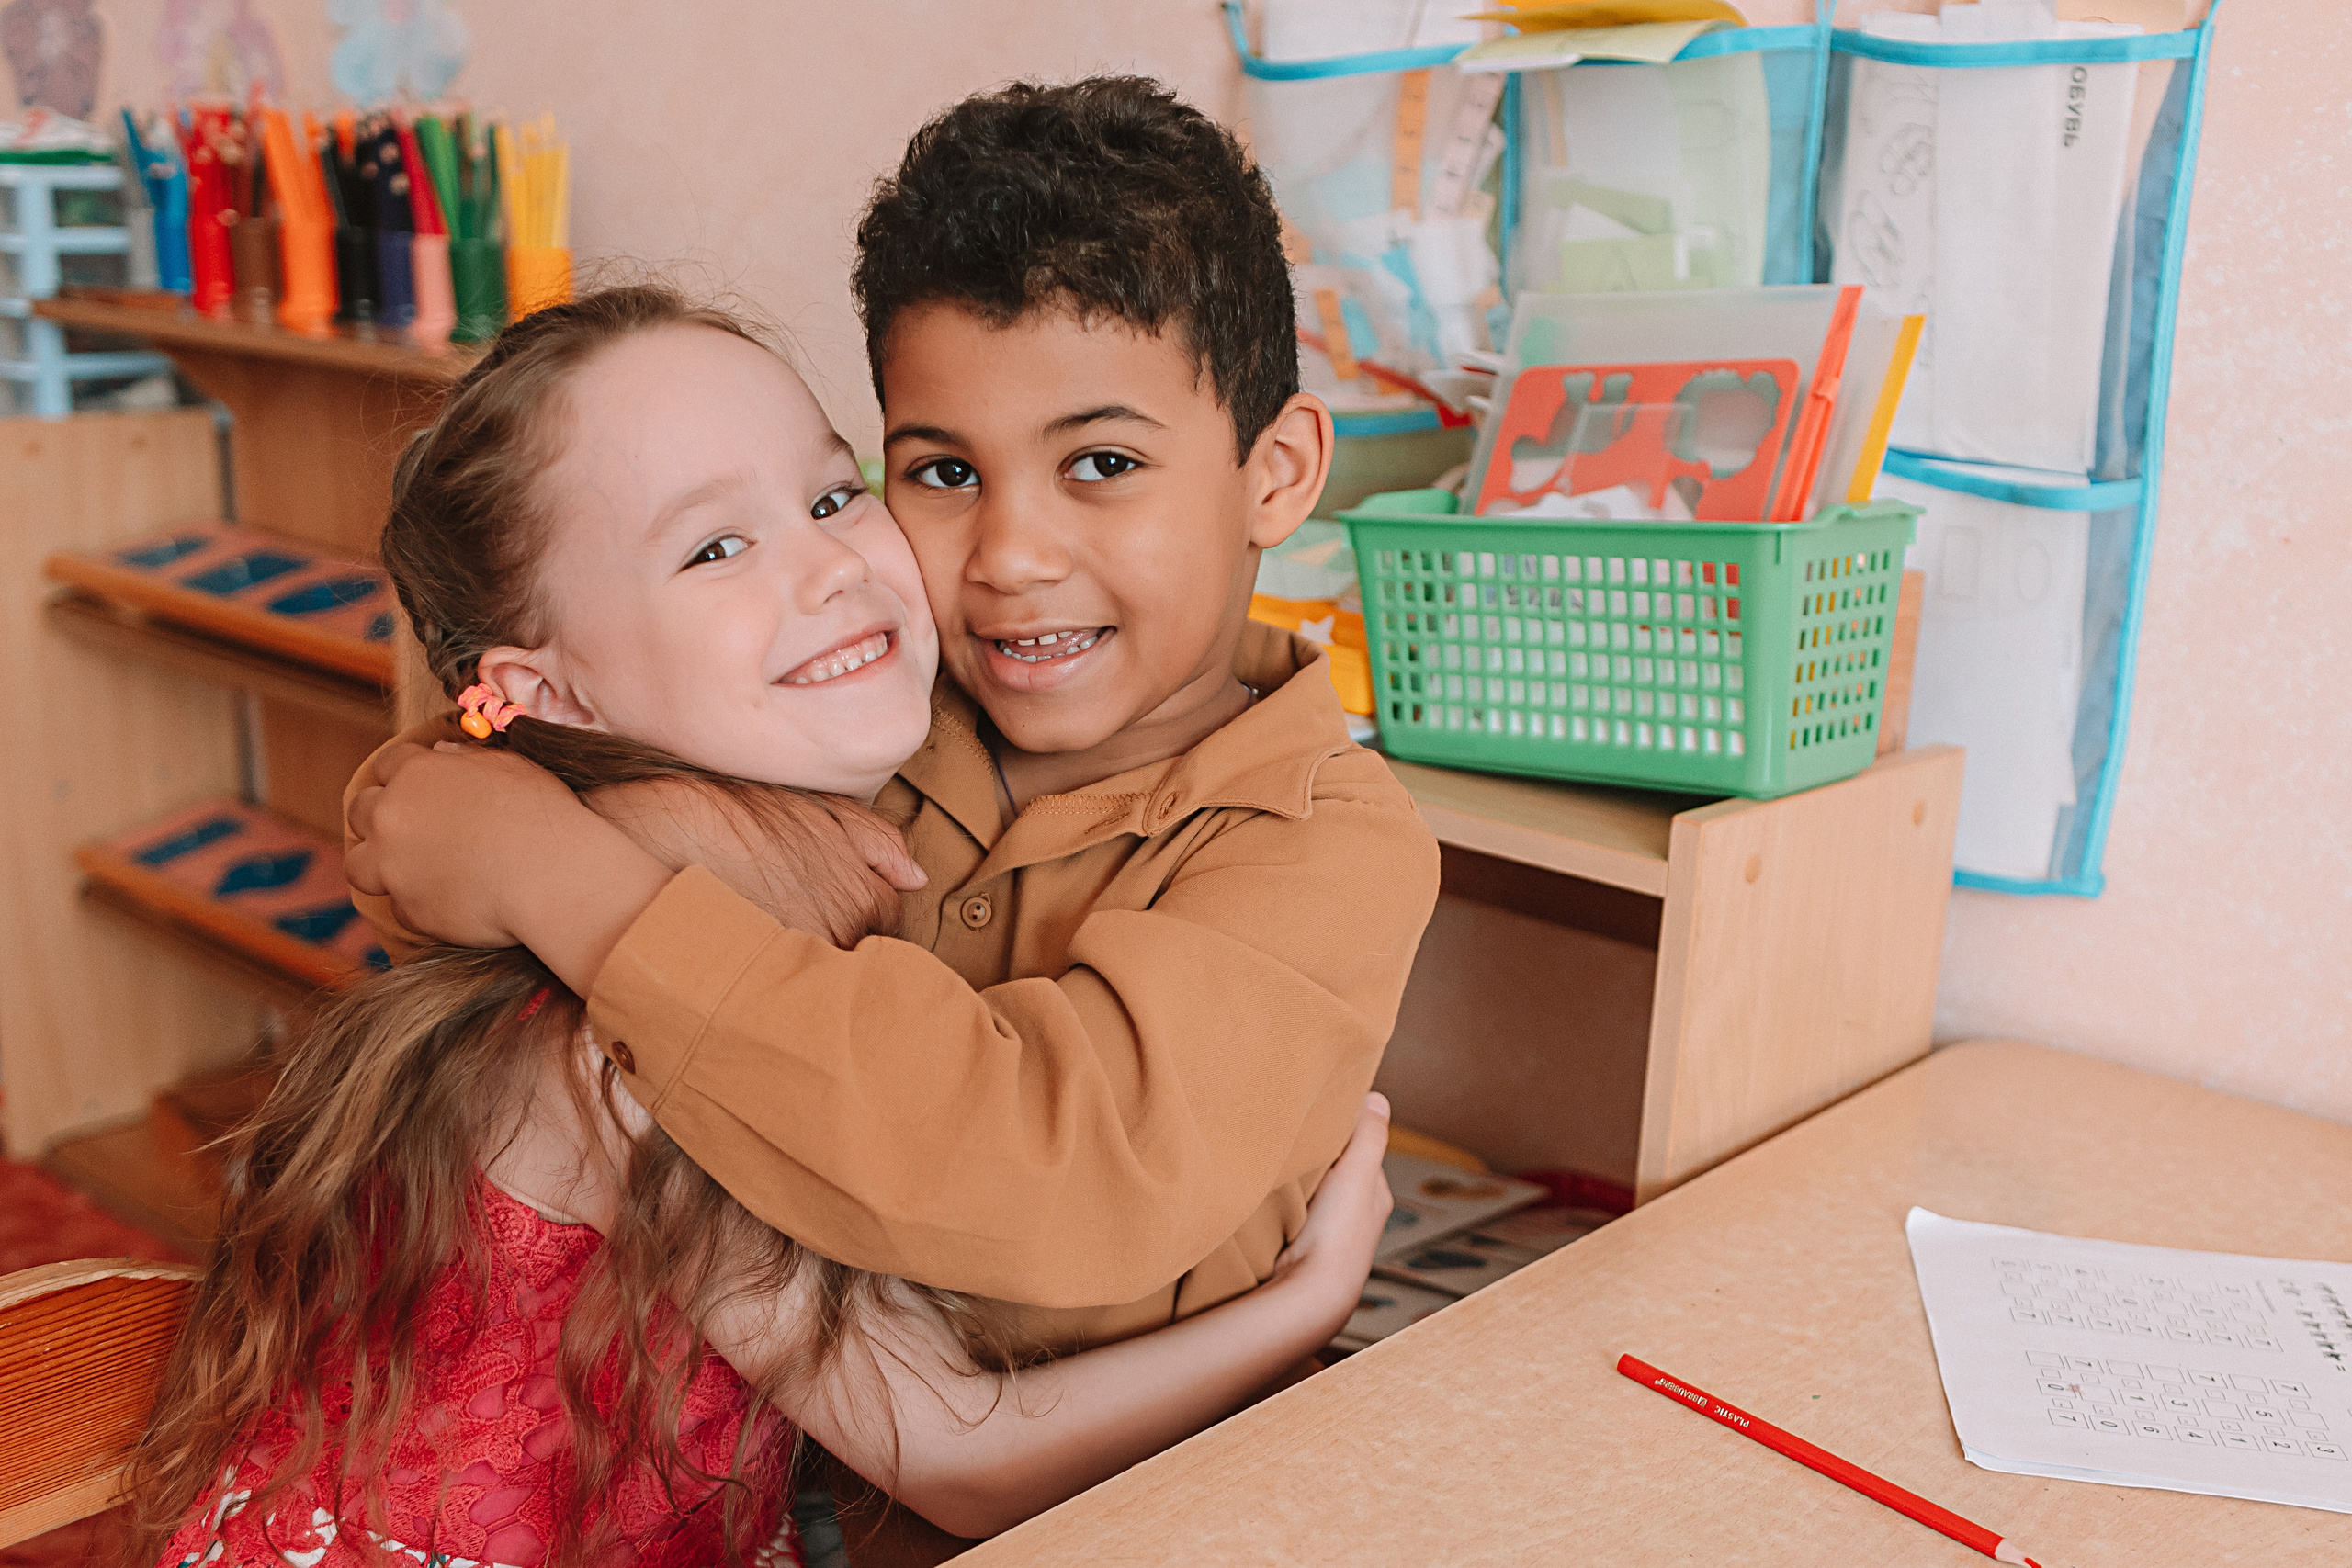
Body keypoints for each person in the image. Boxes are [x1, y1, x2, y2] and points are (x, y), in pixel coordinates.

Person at [128, 286, 1396, 1568]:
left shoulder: (752, 808)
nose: (831, 566)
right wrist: (1305, 1304)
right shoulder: (613, 1030)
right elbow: (965, 1458)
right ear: (536, 689)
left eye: (834, 498)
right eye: (714, 550)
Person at [345, 78, 1444, 1359]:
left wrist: (566, 881)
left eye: (1102, 465)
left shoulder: (1328, 843)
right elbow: (436, 817)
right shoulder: (879, 704)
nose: (1013, 555)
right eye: (944, 473)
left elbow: (1051, 1177)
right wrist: (503, 832)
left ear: (1279, 472)